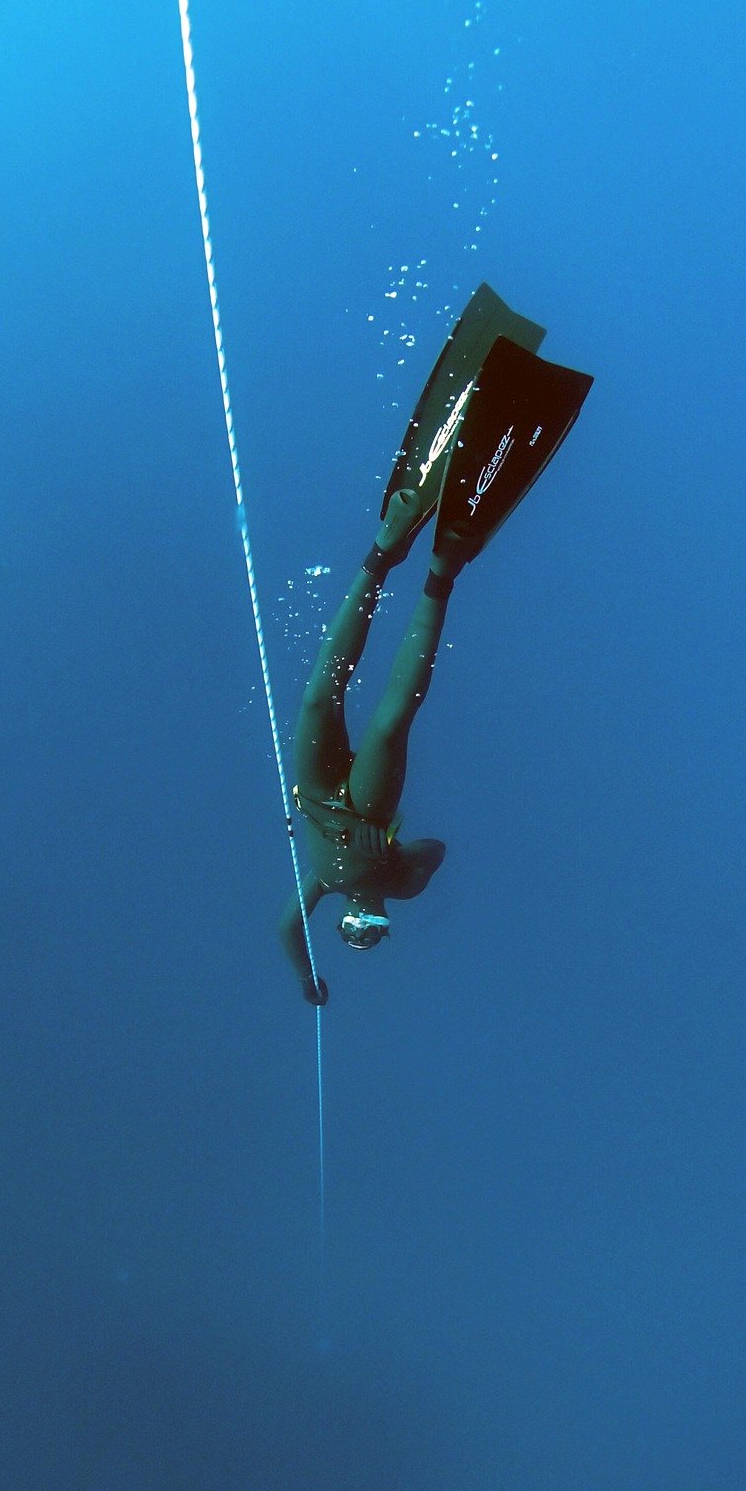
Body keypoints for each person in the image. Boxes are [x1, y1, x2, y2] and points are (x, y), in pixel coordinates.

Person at [279, 283, 593, 1005]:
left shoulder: (322, 885)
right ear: (384, 926)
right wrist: (385, 861)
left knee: (320, 687)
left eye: (351, 935)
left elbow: (288, 931)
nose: (360, 927)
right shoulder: (401, 887)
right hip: (362, 811)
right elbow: (435, 853)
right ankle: (439, 574)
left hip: (320, 798)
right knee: (392, 716)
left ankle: (382, 554)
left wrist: (308, 979)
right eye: (371, 935)